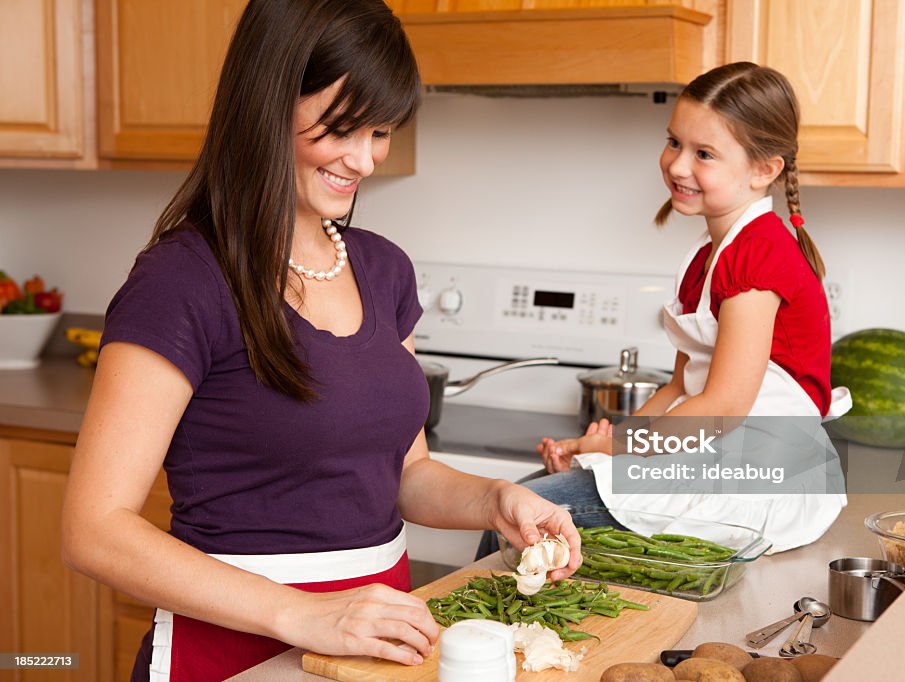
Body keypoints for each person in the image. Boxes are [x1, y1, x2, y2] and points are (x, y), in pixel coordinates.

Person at [60, 2, 580, 680]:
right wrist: (303, 614)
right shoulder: (181, 281)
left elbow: (404, 473)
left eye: (381, 131)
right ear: (269, 100)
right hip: (230, 650)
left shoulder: (383, 268)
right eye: (342, 128)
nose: (363, 159)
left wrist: (495, 499)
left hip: (377, 645)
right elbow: (93, 529)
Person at [490, 62, 853, 558]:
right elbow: (682, 387)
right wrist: (606, 446)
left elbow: (722, 409)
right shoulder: (709, 256)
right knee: (513, 503)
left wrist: (617, 452)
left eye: (703, 153)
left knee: (510, 521)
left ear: (764, 169)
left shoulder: (759, 256)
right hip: (715, 457)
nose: (678, 165)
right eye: (674, 142)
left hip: (756, 477)